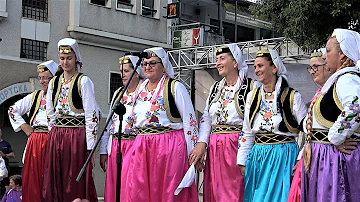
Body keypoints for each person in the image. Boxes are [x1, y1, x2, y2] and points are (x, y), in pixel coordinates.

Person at [122, 47, 199, 201]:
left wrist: (193, 154)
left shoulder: (175, 87)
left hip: (168, 146)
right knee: (139, 190)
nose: (147, 67)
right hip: (143, 146)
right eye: (144, 64)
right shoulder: (139, 89)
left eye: (152, 63)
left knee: (168, 190)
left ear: (163, 66)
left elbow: (189, 121)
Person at [189, 44, 258, 202]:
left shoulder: (251, 87)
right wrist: (202, 143)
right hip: (215, 147)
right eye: (216, 59)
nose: (217, 63)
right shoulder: (215, 88)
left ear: (235, 62)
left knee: (236, 190)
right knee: (215, 191)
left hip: (237, 145)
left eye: (222, 58)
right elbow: (206, 118)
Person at [237, 49, 307, 202]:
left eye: (260, 66)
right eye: (255, 67)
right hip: (258, 157)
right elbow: (247, 131)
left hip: (283, 156)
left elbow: (308, 131)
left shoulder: (292, 96)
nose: (256, 70)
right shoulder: (252, 96)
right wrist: (242, 160)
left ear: (274, 68)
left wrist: (301, 158)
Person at [301, 29, 360, 202]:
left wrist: (335, 137)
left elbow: (356, 106)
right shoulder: (337, 80)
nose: (324, 56)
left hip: (335, 160)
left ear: (342, 55)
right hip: (326, 157)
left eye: (328, 51)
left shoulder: (348, 79)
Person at [42, 38, 99, 202]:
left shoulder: (84, 81)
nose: (65, 62)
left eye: (69, 58)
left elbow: (91, 115)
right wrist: (53, 135)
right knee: (56, 179)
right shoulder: (54, 82)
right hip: (58, 135)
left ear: (76, 59)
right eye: (62, 58)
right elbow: (50, 112)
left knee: (74, 179)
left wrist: (90, 146)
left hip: (77, 137)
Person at [7, 60, 57, 202]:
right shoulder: (35, 96)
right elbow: (12, 109)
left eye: (46, 78)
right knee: (34, 180)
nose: (43, 81)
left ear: (54, 79)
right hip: (36, 141)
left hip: (55, 140)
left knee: (52, 179)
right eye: (41, 78)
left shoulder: (61, 96)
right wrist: (25, 127)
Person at [287, 48, 332, 202]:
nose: (312, 71)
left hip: (327, 159)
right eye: (310, 68)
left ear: (329, 66)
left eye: (315, 67)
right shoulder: (319, 93)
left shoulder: (336, 91)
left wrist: (337, 140)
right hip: (312, 156)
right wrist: (301, 156)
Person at [99, 55, 144, 202]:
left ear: (136, 72)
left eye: (126, 71)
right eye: (121, 71)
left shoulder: (145, 92)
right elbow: (110, 122)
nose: (122, 74)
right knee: (114, 186)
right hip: (116, 144)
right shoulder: (118, 93)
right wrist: (103, 150)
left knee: (131, 187)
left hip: (134, 144)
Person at [0, 129, 15, 198]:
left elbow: (12, 155)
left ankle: (6, 198)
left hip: (4, 169)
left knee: (6, 185)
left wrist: (4, 155)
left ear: (1, 133)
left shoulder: (6, 144)